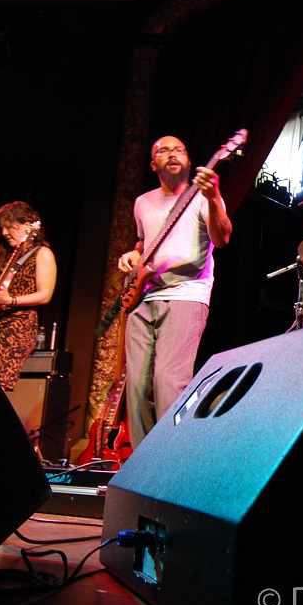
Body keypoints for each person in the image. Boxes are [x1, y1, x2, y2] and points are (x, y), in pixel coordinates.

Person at [117, 135, 233, 448]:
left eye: (179, 149)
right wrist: (133, 253)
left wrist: (214, 196)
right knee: (138, 392)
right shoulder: (143, 202)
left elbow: (221, 238)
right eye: (163, 150)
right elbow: (146, 243)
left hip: (186, 295)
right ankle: (143, 468)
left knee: (169, 383)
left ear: (188, 160)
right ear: (152, 163)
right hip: (144, 299)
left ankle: (173, 461)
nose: (172, 154)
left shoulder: (202, 197)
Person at [0, 201, 57, 391]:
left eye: (9, 227)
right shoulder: (10, 259)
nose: (5, 233)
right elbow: (2, 292)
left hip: (18, 327)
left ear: (28, 224)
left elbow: (45, 295)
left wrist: (10, 300)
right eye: (2, 229)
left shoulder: (43, 253)